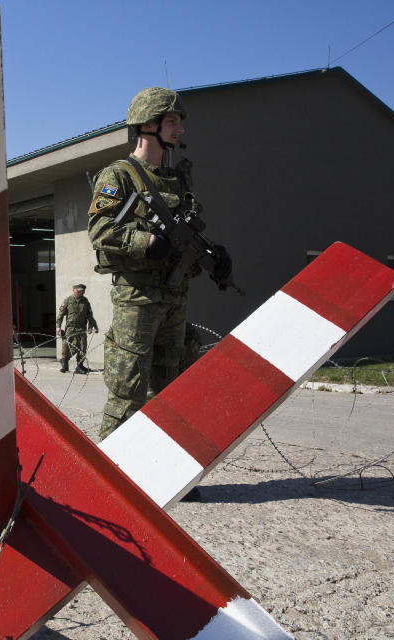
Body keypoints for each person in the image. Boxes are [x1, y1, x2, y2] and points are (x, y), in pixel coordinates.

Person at [88, 87, 232, 443]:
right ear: (148, 125)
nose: (179, 129)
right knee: (128, 388)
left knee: (172, 388)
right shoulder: (118, 175)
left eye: (179, 122)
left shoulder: (179, 180)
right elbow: (100, 229)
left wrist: (214, 255)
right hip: (137, 298)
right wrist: (146, 242)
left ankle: (165, 471)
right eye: (171, 121)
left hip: (174, 296)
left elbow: (188, 236)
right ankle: (111, 473)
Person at [55, 283, 98, 374]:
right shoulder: (67, 300)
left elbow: (90, 314)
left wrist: (91, 326)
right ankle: (65, 364)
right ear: (73, 290)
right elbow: (60, 315)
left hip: (81, 328)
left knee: (83, 347)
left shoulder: (85, 301)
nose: (80, 292)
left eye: (82, 291)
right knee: (67, 346)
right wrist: (58, 327)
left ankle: (79, 366)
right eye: (78, 291)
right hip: (70, 328)